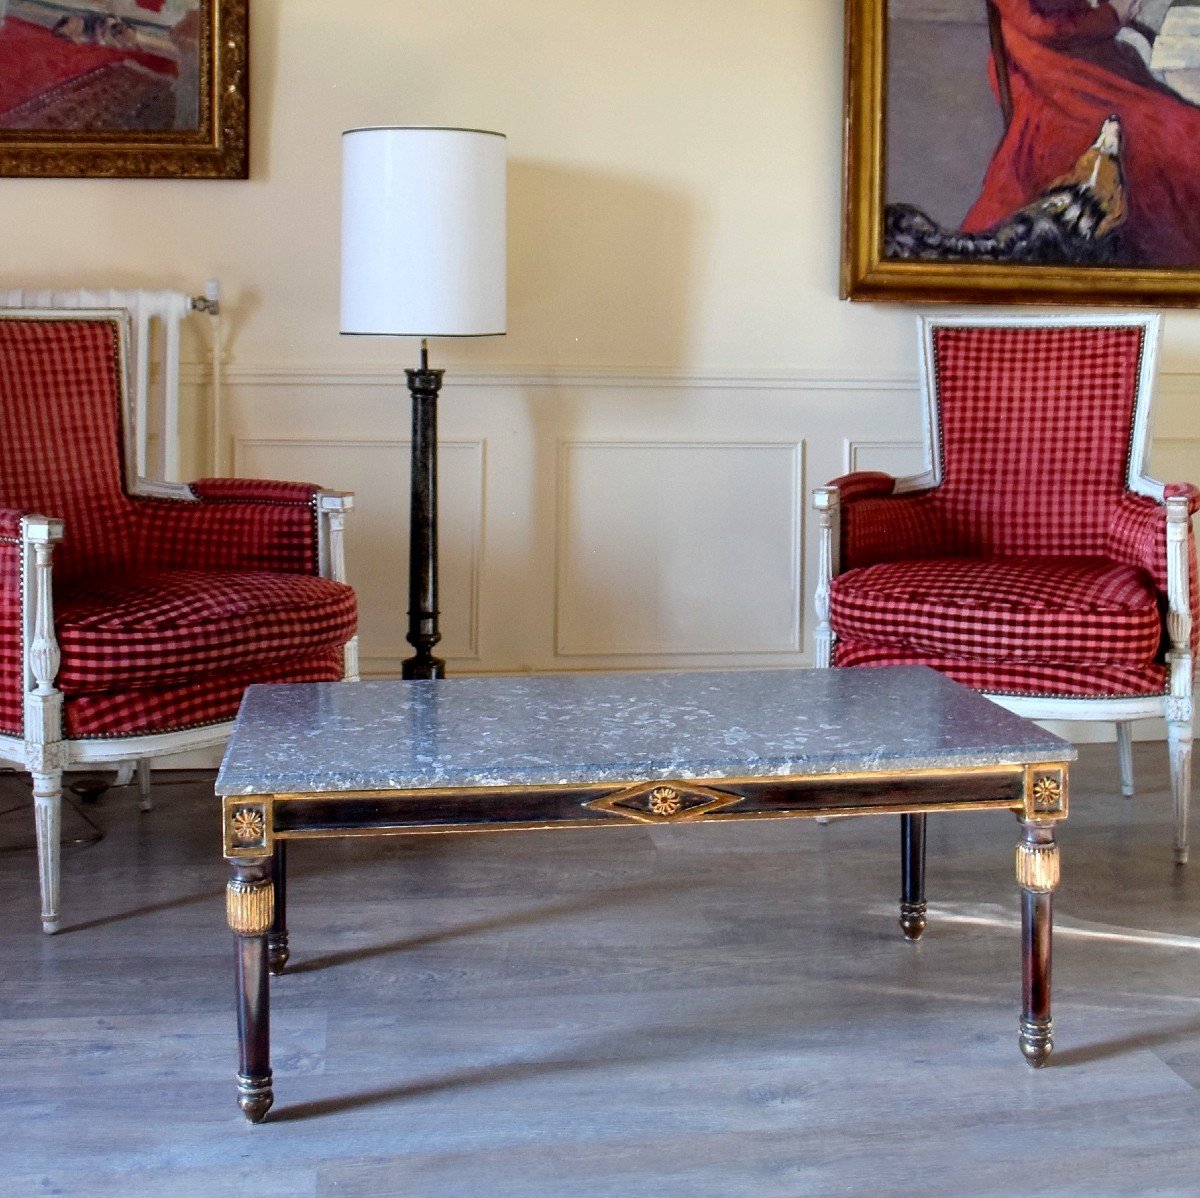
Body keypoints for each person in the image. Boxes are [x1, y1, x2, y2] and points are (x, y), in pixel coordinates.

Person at [961, 0, 1200, 266]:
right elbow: (1044, 27)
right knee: (1167, 139)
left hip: (1094, 57)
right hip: (1049, 72)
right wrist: (1112, 15)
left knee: (1183, 125)